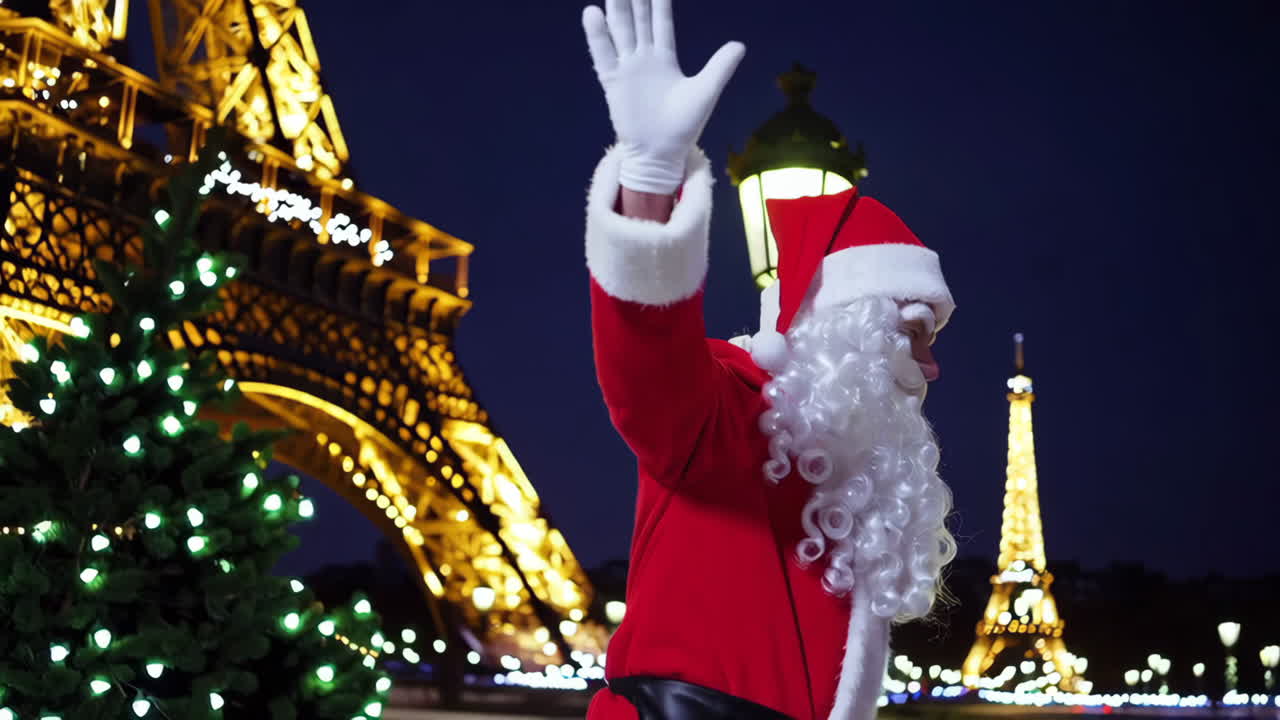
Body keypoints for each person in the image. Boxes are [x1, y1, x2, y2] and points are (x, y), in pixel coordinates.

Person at [580, 2, 958, 718]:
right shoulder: (724, 408)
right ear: (845, 329)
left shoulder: (852, 490)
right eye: (913, 333)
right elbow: (645, 359)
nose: (931, 368)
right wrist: (650, 184)